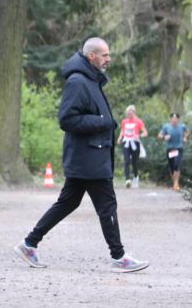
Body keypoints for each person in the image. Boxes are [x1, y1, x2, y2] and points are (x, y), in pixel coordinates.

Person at [13, 38, 149, 273]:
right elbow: (66, 119)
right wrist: (102, 121)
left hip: (90, 156)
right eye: (104, 55)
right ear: (91, 57)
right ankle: (119, 256)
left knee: (68, 202)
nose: (108, 59)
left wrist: (103, 123)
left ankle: (29, 243)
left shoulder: (91, 80)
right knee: (106, 205)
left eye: (108, 54)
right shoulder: (78, 82)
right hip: (89, 159)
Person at [117, 105, 148, 188]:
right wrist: (120, 138)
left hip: (135, 143)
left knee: (134, 162)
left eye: (131, 113)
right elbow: (122, 131)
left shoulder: (138, 121)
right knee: (126, 160)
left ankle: (135, 177)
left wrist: (139, 135)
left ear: (134, 113)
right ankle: (127, 180)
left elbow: (145, 133)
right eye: (128, 113)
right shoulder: (124, 121)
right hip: (126, 142)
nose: (129, 115)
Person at [158, 113, 189, 191]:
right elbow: (159, 135)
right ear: (170, 119)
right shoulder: (166, 127)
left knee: (176, 165)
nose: (174, 120)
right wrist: (164, 137)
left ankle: (176, 183)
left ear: (178, 119)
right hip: (170, 149)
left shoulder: (182, 126)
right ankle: (174, 183)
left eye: (175, 118)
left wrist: (185, 138)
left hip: (179, 148)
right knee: (172, 167)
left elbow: (187, 132)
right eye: (172, 118)